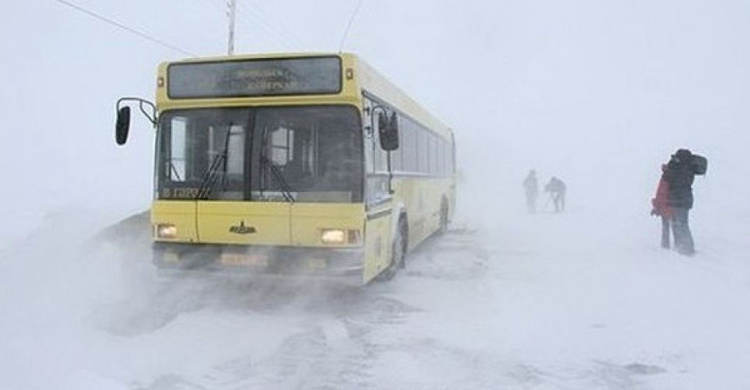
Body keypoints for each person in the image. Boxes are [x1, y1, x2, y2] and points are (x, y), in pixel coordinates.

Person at [663, 148, 697, 256]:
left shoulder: (682, 170)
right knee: (678, 223)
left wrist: (670, 167)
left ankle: (687, 248)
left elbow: (669, 178)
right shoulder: (687, 169)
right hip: (681, 200)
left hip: (679, 200)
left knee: (681, 224)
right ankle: (681, 245)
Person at [651, 164, 673, 249]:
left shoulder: (665, 177)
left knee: (665, 226)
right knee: (677, 226)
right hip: (676, 205)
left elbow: (661, 193)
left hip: (665, 206)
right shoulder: (677, 176)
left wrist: (656, 206)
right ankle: (681, 245)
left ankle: (665, 245)